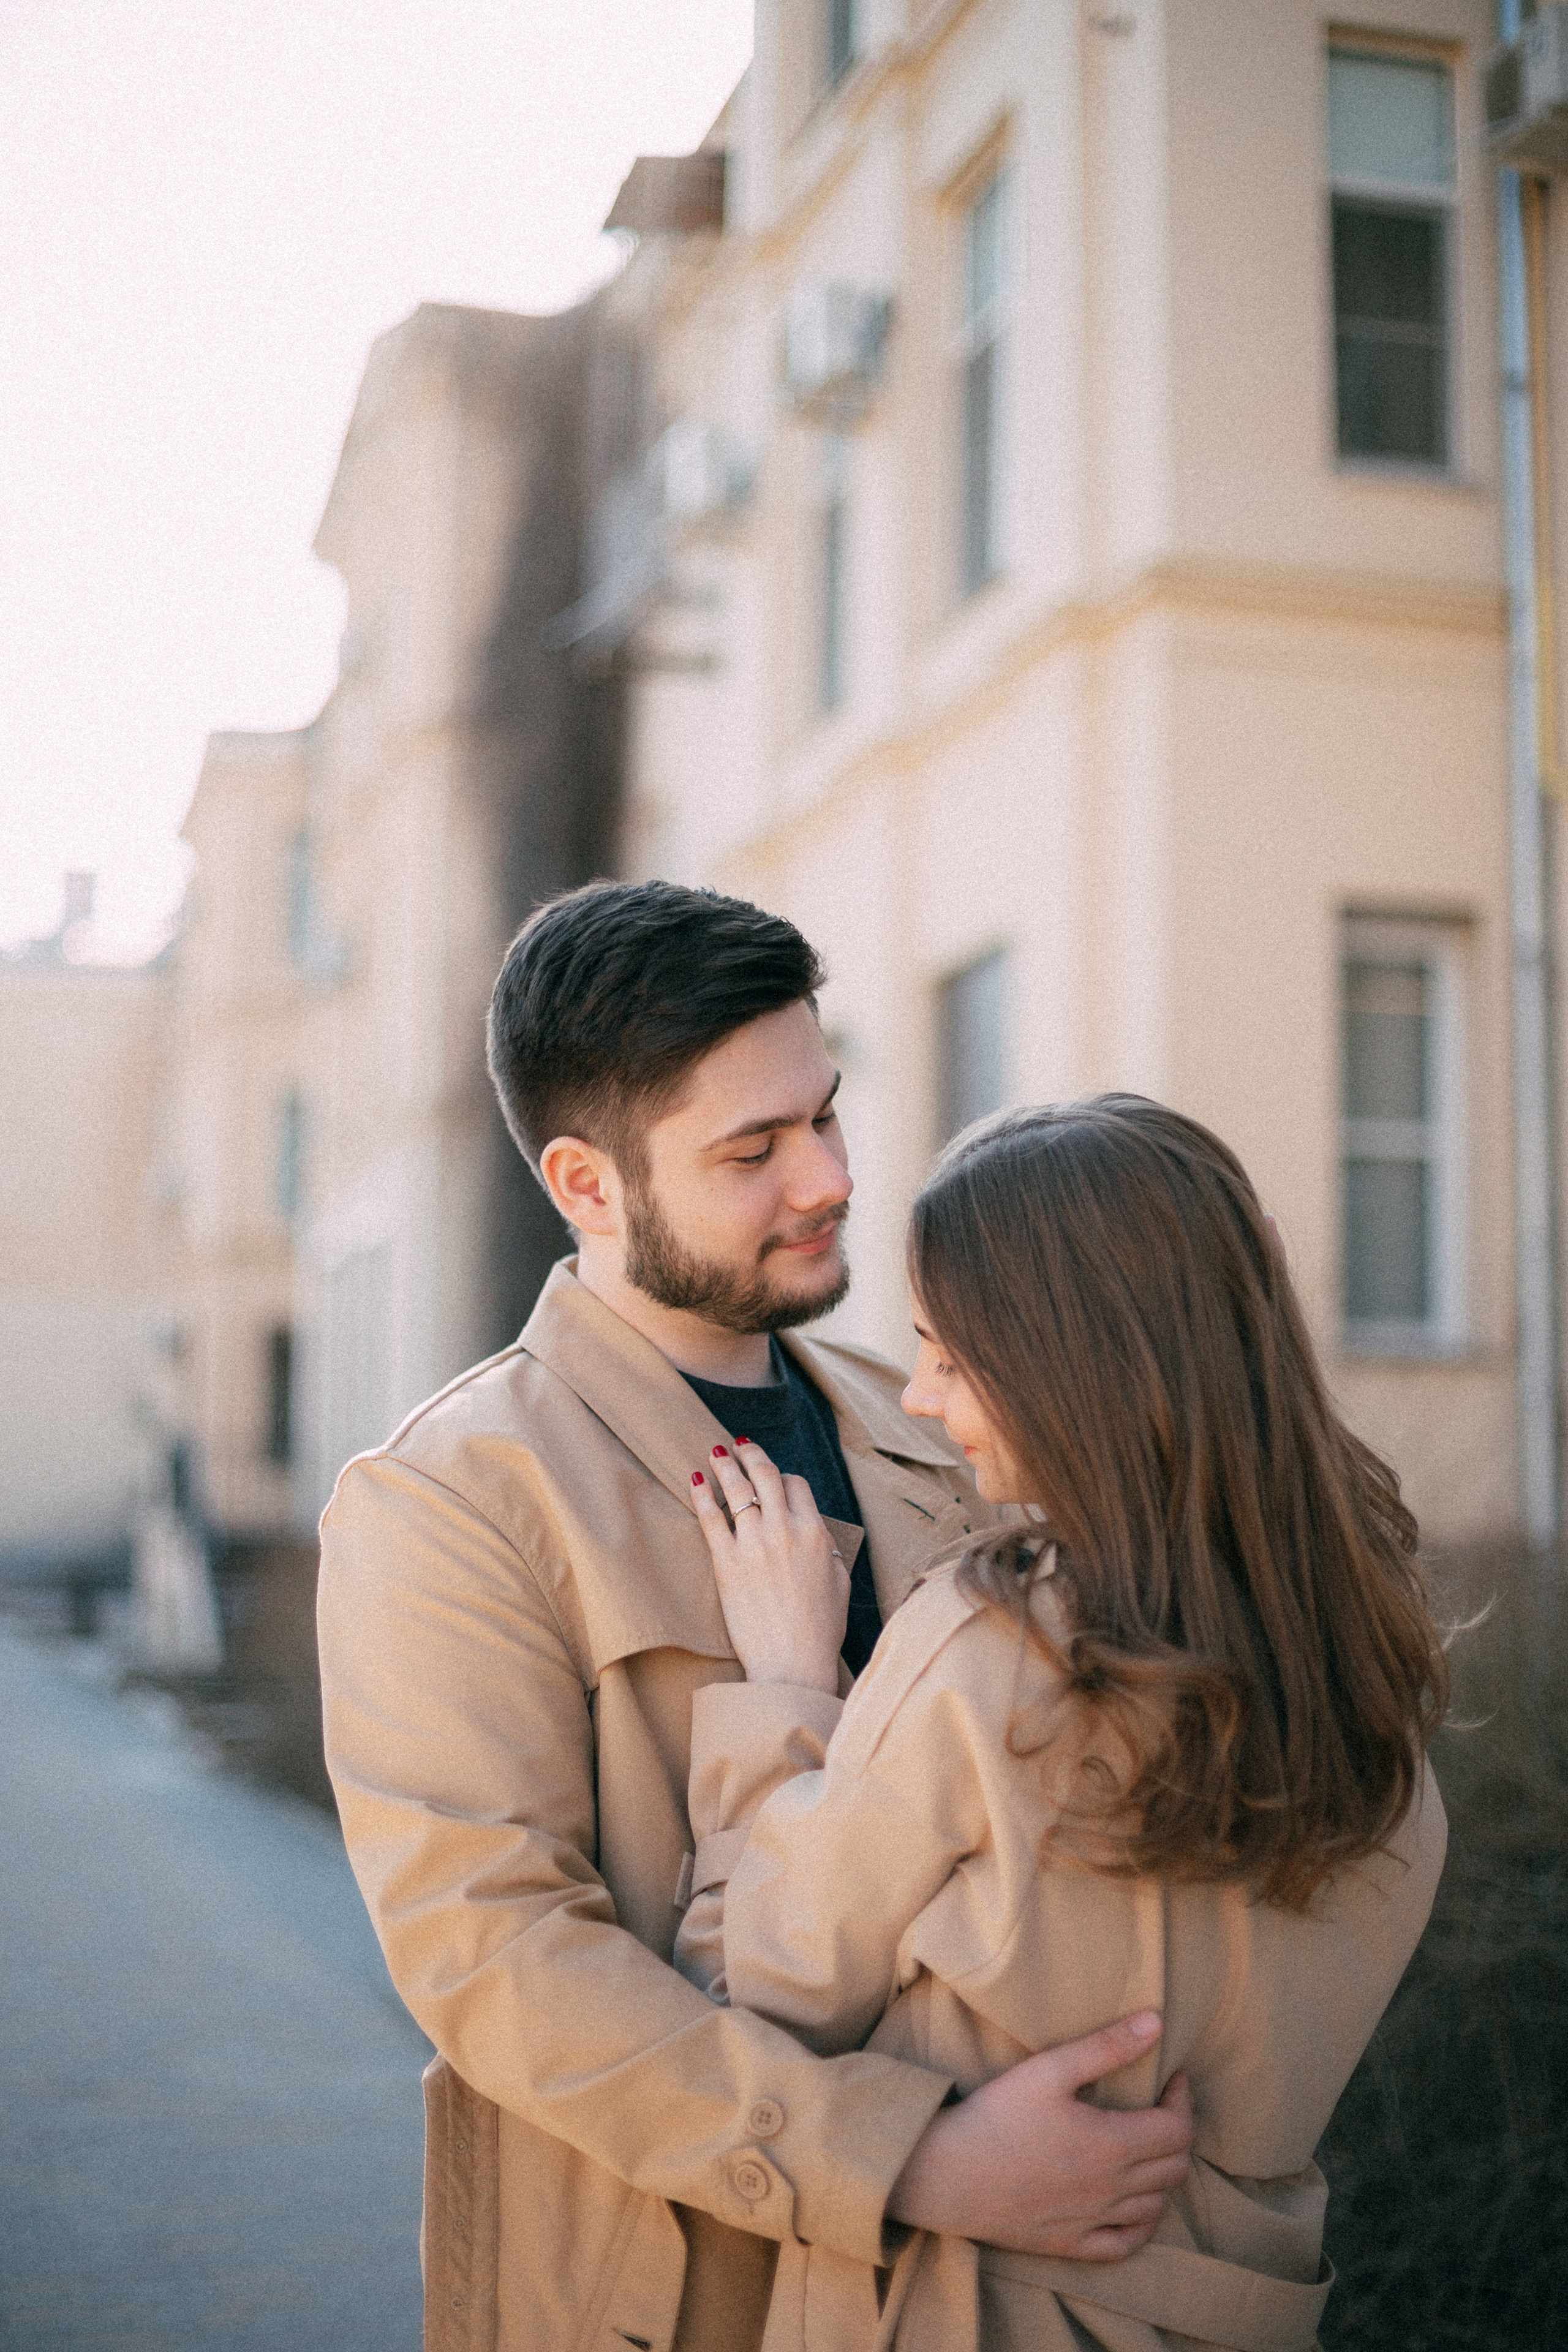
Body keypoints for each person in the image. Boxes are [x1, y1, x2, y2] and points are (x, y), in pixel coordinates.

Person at [316, 887, 1194, 2352]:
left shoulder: (929, 1418)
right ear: (588, 1187)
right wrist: (902, 2156)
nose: (829, 1179)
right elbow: (500, 1962)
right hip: (674, 2291)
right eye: (753, 1151)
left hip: (993, 2288)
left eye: (825, 1117)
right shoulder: (454, 1501)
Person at [676, 1096, 1450, 2351]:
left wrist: (785, 1682)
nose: (919, 1396)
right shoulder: (1371, 1668)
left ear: (1069, 1358)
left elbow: (766, 1986)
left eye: (946, 1349)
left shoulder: (997, 1644)